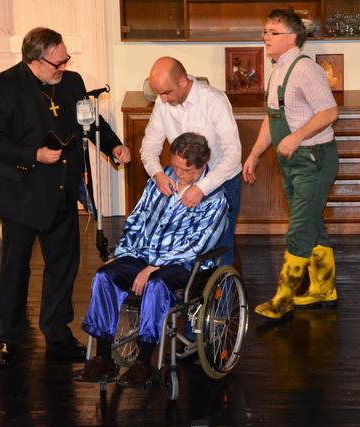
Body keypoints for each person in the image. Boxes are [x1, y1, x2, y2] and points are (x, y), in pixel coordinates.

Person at [0, 27, 131, 366]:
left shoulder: (72, 83)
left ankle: (58, 335)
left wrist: (113, 146)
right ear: (34, 60)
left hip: (61, 187)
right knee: (16, 269)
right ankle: (9, 338)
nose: (63, 68)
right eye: (57, 63)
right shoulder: (0, 89)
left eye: (66, 60)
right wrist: (34, 154)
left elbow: (90, 122)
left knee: (63, 266)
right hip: (19, 194)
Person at [75, 132, 228, 386]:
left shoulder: (214, 197)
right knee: (104, 276)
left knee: (156, 284)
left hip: (184, 265)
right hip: (143, 255)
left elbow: (198, 245)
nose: (178, 174)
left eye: (186, 170)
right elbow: (136, 220)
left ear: (202, 166)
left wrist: (154, 266)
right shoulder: (162, 180)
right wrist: (120, 254)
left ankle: (144, 363)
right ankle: (103, 360)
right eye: (175, 166)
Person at [243, 9, 339, 320]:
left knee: (299, 228)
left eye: (273, 32)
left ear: (292, 38)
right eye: (265, 31)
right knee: (312, 223)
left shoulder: (306, 70)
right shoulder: (278, 71)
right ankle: (323, 288)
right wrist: (254, 155)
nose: (266, 37)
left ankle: (284, 298)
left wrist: (296, 137)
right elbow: (272, 120)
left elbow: (329, 112)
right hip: (291, 162)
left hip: (314, 160)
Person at [141, 56, 242, 267]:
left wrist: (202, 188)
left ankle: (222, 287)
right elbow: (149, 147)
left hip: (220, 180)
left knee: (219, 246)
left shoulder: (213, 100)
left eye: (166, 92)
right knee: (184, 243)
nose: (163, 99)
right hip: (184, 181)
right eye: (159, 94)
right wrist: (158, 174)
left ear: (183, 81)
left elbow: (233, 154)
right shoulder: (162, 103)